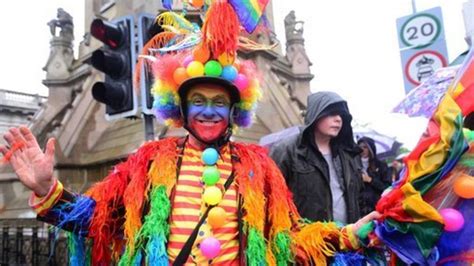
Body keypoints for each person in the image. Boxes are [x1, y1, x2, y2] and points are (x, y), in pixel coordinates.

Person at [0, 5, 380, 265]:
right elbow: (99, 220)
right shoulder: (150, 161)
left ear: (235, 111)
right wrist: (48, 190)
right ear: (180, 108)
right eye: (198, 100)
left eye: (219, 102)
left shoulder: (258, 169)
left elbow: (289, 237)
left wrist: (347, 234)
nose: (209, 110)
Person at [270, 91, 364, 224]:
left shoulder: (348, 154)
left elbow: (358, 197)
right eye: (332, 113)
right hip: (306, 240)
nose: (338, 119)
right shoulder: (287, 150)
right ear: (316, 115)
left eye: (341, 115)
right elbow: (271, 198)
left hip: (347, 238)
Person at [357, 137, 391, 216]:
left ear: (370, 148)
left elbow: (387, 188)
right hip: (357, 208)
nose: (362, 150)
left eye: (365, 147)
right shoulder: (353, 165)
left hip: (375, 207)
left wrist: (370, 180)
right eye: (360, 147)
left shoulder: (381, 165)